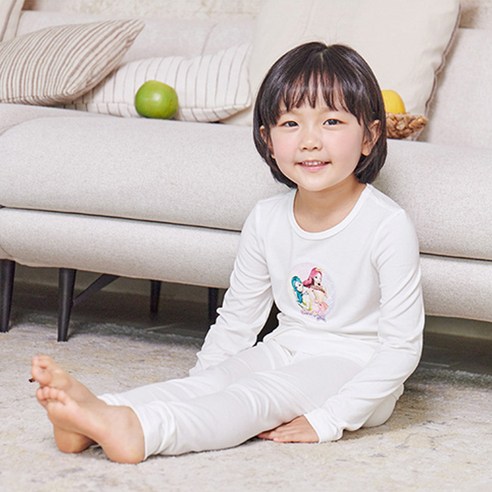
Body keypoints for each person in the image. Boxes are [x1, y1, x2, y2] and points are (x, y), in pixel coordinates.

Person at [31, 42, 424, 464]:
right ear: (267, 140)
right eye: (291, 123)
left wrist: (330, 418)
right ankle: (100, 412)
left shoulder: (387, 224)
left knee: (257, 395)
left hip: (357, 368)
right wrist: (205, 381)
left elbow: (400, 349)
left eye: (331, 121)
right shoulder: (266, 218)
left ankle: (141, 432)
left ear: (370, 136)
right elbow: (238, 320)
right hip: (286, 347)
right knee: (216, 381)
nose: (310, 141)